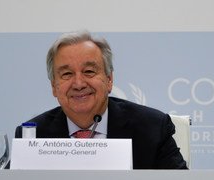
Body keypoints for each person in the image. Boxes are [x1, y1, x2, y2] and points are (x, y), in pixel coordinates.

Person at [15, 30, 188, 169]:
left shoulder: (153, 129)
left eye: (89, 71)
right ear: (54, 86)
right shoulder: (33, 136)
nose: (78, 83)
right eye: (67, 74)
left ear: (109, 80)